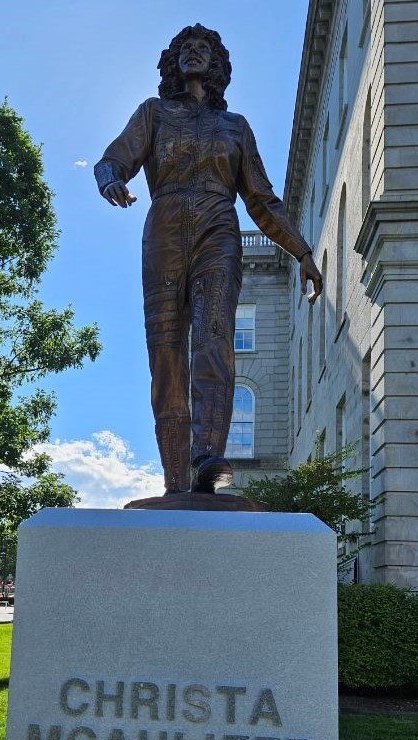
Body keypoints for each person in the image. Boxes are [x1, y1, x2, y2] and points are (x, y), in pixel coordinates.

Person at [95, 23, 323, 496]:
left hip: (219, 228)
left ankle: (207, 456)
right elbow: (113, 158)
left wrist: (302, 251)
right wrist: (111, 178)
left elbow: (262, 199)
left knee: (215, 336)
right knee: (166, 353)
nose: (194, 54)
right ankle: (176, 480)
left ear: (217, 65)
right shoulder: (153, 113)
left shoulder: (235, 126)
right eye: (186, 48)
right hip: (164, 231)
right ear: (173, 61)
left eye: (204, 49)